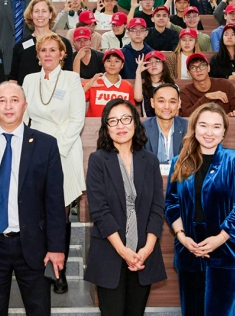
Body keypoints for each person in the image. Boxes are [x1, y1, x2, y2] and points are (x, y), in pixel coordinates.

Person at [0, 81, 66, 315]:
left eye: (15, 100)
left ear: (25, 106)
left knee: (39, 310)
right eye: (2, 101)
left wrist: (56, 246)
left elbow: (55, 201)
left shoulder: (46, 144)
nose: (9, 106)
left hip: (34, 245)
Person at [165, 103, 235, 316]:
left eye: (216, 127)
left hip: (226, 251)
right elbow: (171, 203)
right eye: (203, 125)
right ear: (194, 128)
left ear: (224, 131)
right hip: (189, 250)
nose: (209, 132)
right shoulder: (180, 162)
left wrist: (219, 239)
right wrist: (181, 236)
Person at [85, 98, 167, 316]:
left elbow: (157, 208)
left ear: (135, 123)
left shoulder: (149, 160)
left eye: (125, 119)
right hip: (109, 252)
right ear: (106, 128)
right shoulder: (98, 160)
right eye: (113, 121)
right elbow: (99, 211)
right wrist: (123, 251)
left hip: (143, 254)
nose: (120, 125)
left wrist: (146, 249)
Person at [22, 33, 85, 294]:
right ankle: (40, 267)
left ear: (62, 54)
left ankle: (59, 271)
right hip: (34, 146)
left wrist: (56, 149)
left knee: (60, 209)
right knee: (36, 209)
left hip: (65, 147)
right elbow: (23, 117)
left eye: (53, 50)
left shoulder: (71, 79)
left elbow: (77, 118)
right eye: (43, 50)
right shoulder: (29, 79)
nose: (47, 54)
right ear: (38, 55)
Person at [9, 0, 73, 85]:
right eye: (36, 11)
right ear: (31, 15)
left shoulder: (63, 43)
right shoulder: (20, 46)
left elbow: (69, 75)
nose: (40, 15)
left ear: (50, 14)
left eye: (44, 11)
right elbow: (13, 79)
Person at [180, 53, 235, 117]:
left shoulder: (225, 85)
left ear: (209, 68)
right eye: (193, 67)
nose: (198, 70)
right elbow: (186, 116)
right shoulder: (185, 93)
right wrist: (206, 97)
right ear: (188, 73)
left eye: (202, 65)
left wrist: (234, 114)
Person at [142, 83, 188, 164]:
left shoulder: (188, 127)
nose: (167, 106)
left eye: (172, 102)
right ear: (152, 103)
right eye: (161, 101)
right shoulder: (142, 129)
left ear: (179, 104)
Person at [82, 48, 135, 118]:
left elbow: (131, 112)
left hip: (118, 126)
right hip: (94, 125)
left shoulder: (127, 86)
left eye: (116, 61)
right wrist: (88, 86)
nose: (112, 64)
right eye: (108, 61)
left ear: (122, 65)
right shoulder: (93, 82)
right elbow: (72, 100)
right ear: (104, 64)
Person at [134, 50, 175, 117]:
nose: (153, 65)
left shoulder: (172, 86)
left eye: (157, 61)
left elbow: (176, 110)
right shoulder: (144, 87)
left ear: (164, 65)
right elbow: (138, 98)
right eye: (150, 62)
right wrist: (138, 72)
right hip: (148, 124)